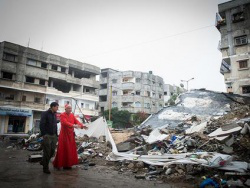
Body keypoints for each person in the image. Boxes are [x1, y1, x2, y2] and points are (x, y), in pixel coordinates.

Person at [53, 104, 88, 169]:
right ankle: (60, 164)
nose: (70, 109)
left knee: (69, 149)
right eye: (68, 108)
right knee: (63, 149)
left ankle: (68, 164)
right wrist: (73, 125)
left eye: (70, 108)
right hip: (64, 135)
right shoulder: (62, 115)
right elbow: (64, 122)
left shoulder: (72, 115)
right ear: (65, 109)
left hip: (70, 135)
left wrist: (82, 126)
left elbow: (77, 121)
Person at [39, 102, 59, 174]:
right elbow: (42, 124)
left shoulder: (55, 114)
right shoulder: (45, 113)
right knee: (47, 151)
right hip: (47, 135)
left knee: (52, 151)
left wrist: (56, 135)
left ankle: (43, 161)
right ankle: (45, 168)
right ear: (52, 107)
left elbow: (55, 125)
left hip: (54, 135)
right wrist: (44, 134)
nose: (57, 108)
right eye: (57, 107)